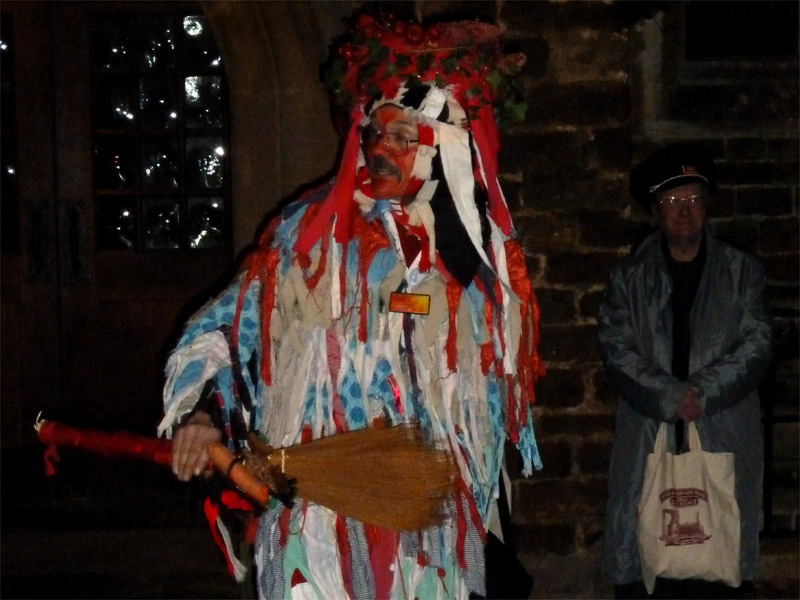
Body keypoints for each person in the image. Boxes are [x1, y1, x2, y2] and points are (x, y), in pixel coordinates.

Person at [160, 13, 543, 600]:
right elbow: (226, 332)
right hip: (319, 518)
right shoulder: (305, 239)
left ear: (444, 148)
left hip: (429, 524)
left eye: (403, 137)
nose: (381, 149)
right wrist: (205, 415)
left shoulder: (481, 259)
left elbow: (490, 408)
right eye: (375, 133)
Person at [597, 145, 773, 599]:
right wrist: (670, 395)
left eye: (693, 199)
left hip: (722, 427)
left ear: (707, 205)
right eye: (673, 202)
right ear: (656, 211)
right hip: (648, 428)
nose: (684, 212)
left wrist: (703, 392)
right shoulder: (629, 278)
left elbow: (755, 344)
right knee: (644, 548)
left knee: (720, 545)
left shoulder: (741, 272)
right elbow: (617, 348)